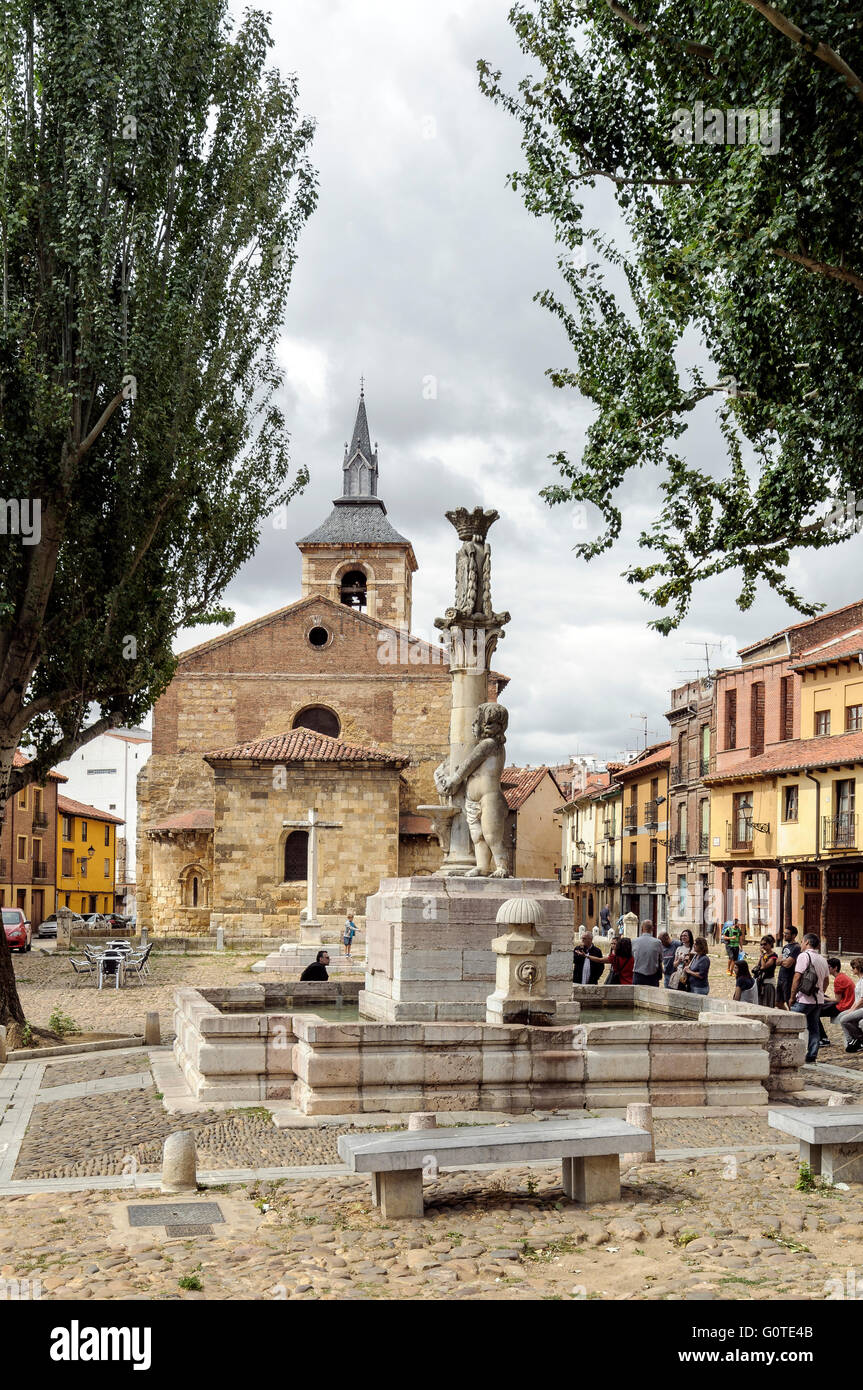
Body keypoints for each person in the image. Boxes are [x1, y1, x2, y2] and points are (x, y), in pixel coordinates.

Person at [790, 932, 830, 1063]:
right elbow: (826, 981)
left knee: (790, 1024)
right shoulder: (822, 959)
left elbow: (797, 977)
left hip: (804, 998)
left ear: (807, 942)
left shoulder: (804, 956)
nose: (801, 944)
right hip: (818, 1000)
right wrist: (821, 993)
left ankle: (790, 1052)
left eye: (802, 941)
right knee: (814, 1027)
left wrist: (792, 997)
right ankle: (812, 1055)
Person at [817, 956, 855, 1044]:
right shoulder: (842, 976)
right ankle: (823, 1038)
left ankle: (823, 1038)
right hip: (846, 1003)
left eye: (829, 967)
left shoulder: (838, 980)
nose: (827, 969)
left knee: (814, 1013)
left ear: (835, 968)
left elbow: (837, 1000)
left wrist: (822, 997)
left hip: (843, 1006)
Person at [839, 957, 863, 1053]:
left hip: (861, 1008)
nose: (852, 970)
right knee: (841, 1016)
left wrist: (852, 1010)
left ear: (858, 968)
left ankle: (858, 1039)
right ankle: (851, 1040)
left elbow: (861, 1000)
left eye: (853, 968)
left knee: (844, 1019)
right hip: (859, 1008)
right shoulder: (859, 981)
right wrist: (851, 1009)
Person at [776, 925, 801, 1010]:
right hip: (781, 977)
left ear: (793, 935)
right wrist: (783, 961)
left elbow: (788, 964)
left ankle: (793, 1017)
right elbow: (777, 962)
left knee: (789, 1002)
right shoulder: (786, 947)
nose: (784, 935)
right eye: (784, 933)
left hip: (789, 978)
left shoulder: (796, 947)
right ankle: (786, 1015)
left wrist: (782, 960)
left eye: (787, 933)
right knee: (778, 1003)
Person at [632, 921, 664, 986]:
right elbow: (661, 958)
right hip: (653, 976)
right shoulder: (657, 942)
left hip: (638, 975)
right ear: (652, 928)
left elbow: (632, 956)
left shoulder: (634, 941)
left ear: (641, 929)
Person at [753, 935, 778, 1008]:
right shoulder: (764, 955)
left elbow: (764, 966)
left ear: (770, 944)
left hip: (768, 983)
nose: (763, 946)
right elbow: (759, 966)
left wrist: (761, 955)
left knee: (767, 1003)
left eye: (765, 944)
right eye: (761, 944)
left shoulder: (773, 956)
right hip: (760, 982)